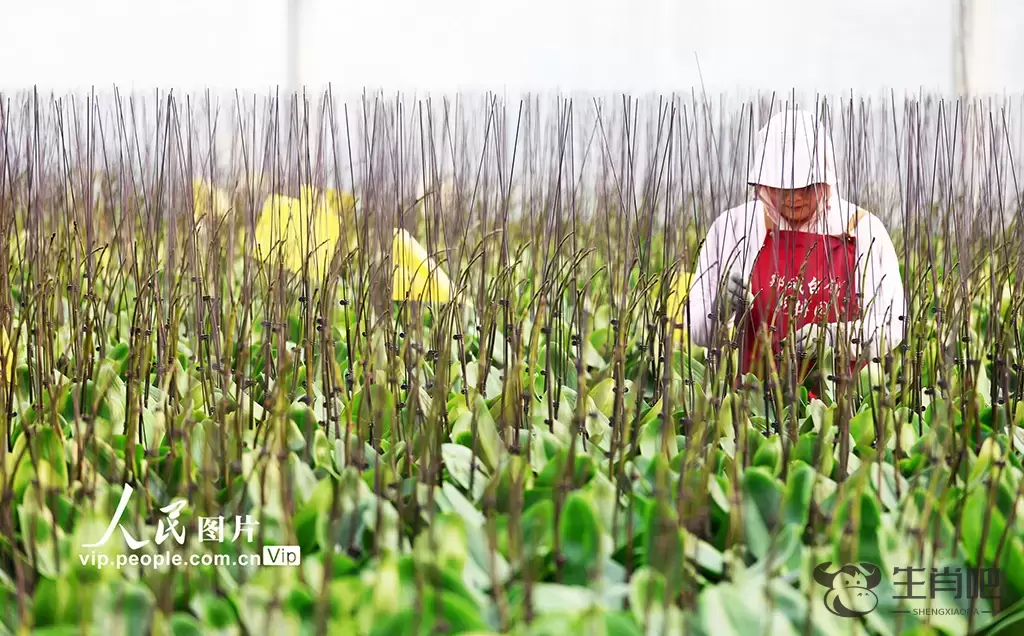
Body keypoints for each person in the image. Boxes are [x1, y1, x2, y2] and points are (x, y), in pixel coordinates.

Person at [686, 108, 906, 392]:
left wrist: (832, 337)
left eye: (806, 186)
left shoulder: (863, 230)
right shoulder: (733, 228)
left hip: (840, 409)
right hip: (755, 406)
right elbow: (697, 331)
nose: (795, 197)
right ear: (764, 184)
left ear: (826, 182)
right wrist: (720, 307)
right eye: (783, 188)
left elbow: (893, 326)